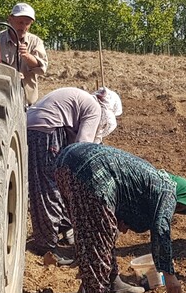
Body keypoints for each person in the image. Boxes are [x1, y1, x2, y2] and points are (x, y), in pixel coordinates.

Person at [52, 143, 186, 293]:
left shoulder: (149, 181)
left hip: (66, 162)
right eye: (178, 207)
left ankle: (113, 283)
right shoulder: (168, 190)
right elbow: (161, 229)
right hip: (91, 170)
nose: (174, 210)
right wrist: (169, 274)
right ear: (179, 194)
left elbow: (125, 201)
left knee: (93, 228)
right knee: (98, 235)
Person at [26, 86, 122, 256]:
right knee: (49, 187)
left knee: (49, 181)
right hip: (46, 130)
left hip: (33, 126)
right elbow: (80, 149)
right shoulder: (94, 109)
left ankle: (62, 228)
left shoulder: (82, 100)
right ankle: (47, 243)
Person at [0, 3, 49, 105]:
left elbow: (42, 69)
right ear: (10, 19)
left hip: (27, 103)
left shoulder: (36, 42)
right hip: (1, 101)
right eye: (20, 22)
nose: (23, 27)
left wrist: (27, 56)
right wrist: (11, 74)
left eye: (27, 23)